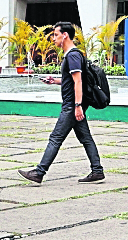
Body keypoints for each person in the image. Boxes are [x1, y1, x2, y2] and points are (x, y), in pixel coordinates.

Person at [19, 21, 104, 184]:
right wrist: (55, 81)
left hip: (72, 105)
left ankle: (39, 172)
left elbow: (78, 81)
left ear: (65, 35)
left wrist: (78, 106)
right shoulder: (74, 55)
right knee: (86, 138)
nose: (53, 38)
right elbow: (71, 80)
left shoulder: (72, 55)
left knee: (55, 138)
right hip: (74, 104)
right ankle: (97, 170)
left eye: (56, 35)